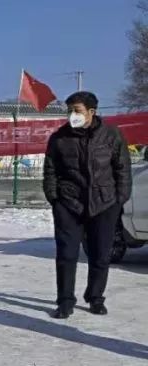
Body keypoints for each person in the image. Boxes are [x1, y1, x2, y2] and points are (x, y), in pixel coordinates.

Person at [42, 91, 131, 318]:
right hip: (69, 203)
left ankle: (95, 297)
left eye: (77, 110)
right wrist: (55, 197)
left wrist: (120, 197)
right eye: (70, 110)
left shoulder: (112, 135)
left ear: (91, 112)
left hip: (104, 203)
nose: (73, 115)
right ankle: (65, 301)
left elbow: (122, 169)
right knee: (66, 254)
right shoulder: (59, 138)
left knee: (100, 254)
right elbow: (50, 170)